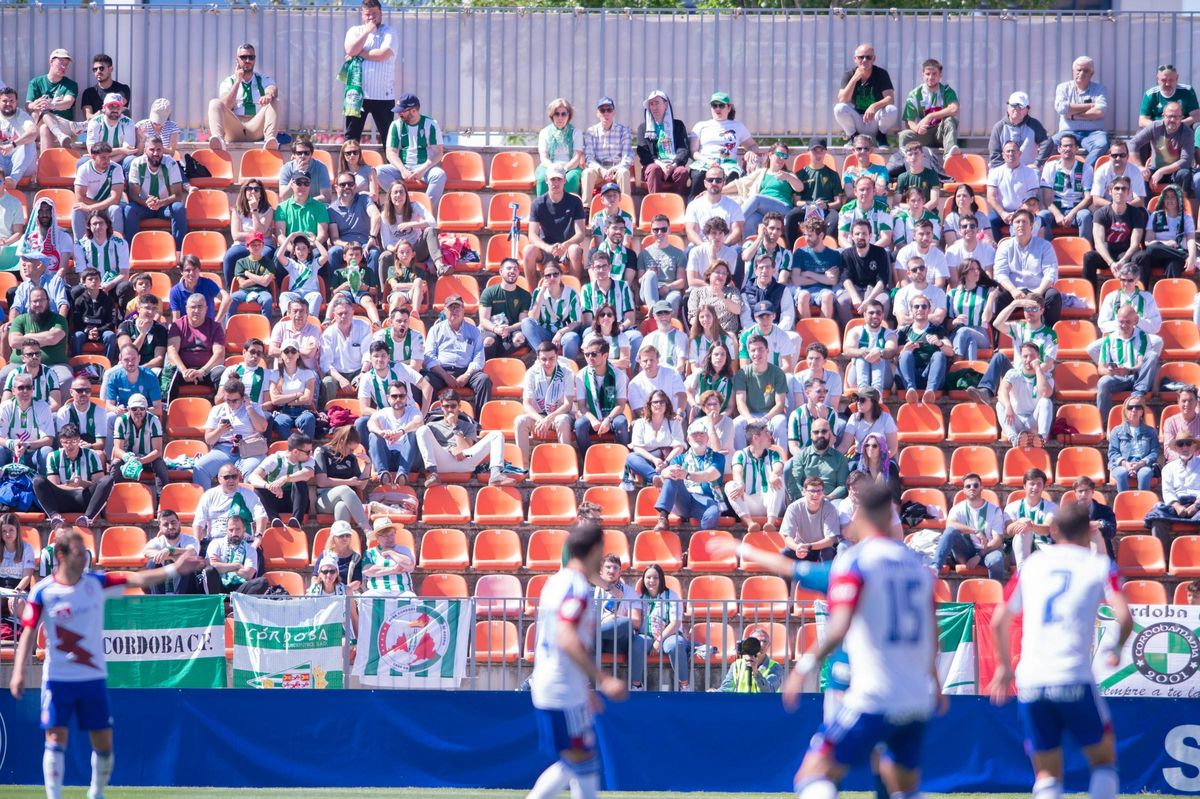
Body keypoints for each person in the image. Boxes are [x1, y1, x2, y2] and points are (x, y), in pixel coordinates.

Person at [8, 528, 202, 799]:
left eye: (86, 552)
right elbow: (28, 631)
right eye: (78, 552)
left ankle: (96, 793)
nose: (84, 557)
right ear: (61, 555)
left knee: (104, 743)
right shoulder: (43, 591)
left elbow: (138, 576)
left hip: (92, 679)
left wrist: (175, 570)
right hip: (58, 678)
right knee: (54, 738)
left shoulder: (96, 583)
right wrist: (18, 673)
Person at [788, 483, 942, 799]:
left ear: (858, 515)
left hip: (873, 695)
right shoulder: (917, 567)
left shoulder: (856, 560)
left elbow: (839, 626)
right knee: (903, 789)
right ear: (892, 516)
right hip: (915, 698)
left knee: (812, 776)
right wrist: (935, 682)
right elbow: (932, 632)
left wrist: (804, 668)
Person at [989, 501, 1132, 799]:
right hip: (1073, 677)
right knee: (1104, 762)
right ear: (1089, 530)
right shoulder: (1099, 565)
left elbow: (1000, 620)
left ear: (1053, 531)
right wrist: (1117, 647)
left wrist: (1003, 667)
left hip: (1032, 680)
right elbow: (1125, 616)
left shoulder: (1032, 566)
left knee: (1046, 774)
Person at [526, 521, 626, 799]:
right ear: (596, 550)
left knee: (578, 759)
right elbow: (566, 638)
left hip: (556, 683)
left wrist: (583, 689)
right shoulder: (577, 589)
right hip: (561, 688)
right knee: (582, 760)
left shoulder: (553, 583)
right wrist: (602, 679)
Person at [417, 389, 513, 487]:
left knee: (497, 434)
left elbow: (467, 449)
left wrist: (455, 426)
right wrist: (449, 449)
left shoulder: (469, 426)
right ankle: (433, 474)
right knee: (422, 430)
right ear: (441, 406)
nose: (450, 409)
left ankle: (496, 475)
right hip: (442, 462)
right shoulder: (432, 425)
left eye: (453, 406)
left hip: (465, 460)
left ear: (459, 406)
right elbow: (432, 449)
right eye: (446, 406)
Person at [34, 420, 116, 529]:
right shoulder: (53, 456)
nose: (69, 446)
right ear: (61, 442)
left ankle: (87, 517)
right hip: (62, 497)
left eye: (73, 441)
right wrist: (70, 485)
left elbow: (98, 483)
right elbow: (54, 485)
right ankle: (54, 516)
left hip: (84, 496)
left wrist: (82, 483)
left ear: (79, 441)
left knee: (108, 480)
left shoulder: (91, 455)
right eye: (66, 442)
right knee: (38, 480)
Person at [191, 379, 270, 487]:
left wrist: (249, 407)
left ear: (243, 397)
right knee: (200, 467)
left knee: (252, 469)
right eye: (228, 400)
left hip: (250, 449)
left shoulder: (253, 407)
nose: (231, 404)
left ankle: (248, 501)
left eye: (235, 400)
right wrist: (219, 430)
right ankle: (206, 501)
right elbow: (209, 440)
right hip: (225, 449)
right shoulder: (217, 410)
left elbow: (262, 428)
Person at [423, 294, 491, 416]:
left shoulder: (474, 331)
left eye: (457, 308)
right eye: (451, 308)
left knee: (484, 380)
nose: (454, 311)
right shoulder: (435, 330)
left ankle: (480, 420)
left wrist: (467, 375)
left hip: (466, 371)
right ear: (445, 311)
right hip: (441, 371)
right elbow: (428, 356)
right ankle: (431, 418)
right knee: (427, 380)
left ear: (463, 310)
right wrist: (445, 375)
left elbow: (479, 358)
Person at [992, 210, 1062, 325]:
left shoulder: (1045, 246)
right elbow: (1000, 274)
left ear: (1031, 226)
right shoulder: (1005, 246)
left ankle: (1047, 336)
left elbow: (1051, 273)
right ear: (1012, 226)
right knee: (997, 298)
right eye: (1017, 222)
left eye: (1024, 222)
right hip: (1014, 291)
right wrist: (1013, 290)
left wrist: (1038, 293)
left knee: (1053, 296)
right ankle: (998, 339)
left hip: (1038, 290)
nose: (1020, 225)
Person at [377, 94, 446, 211]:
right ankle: (405, 204)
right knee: (378, 172)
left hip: (425, 169)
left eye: (402, 111)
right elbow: (390, 152)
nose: (399, 114)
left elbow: (438, 153)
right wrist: (402, 170)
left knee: (439, 175)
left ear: (413, 111)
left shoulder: (431, 124)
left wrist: (422, 169)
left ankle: (423, 211)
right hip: (403, 168)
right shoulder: (396, 125)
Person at [652, 421, 725, 531]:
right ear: (688, 439)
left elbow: (710, 475)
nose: (698, 437)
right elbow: (669, 473)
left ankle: (698, 543)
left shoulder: (718, 457)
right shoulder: (679, 459)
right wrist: (664, 473)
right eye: (694, 435)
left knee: (713, 513)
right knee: (673, 475)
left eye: (702, 434)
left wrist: (687, 475)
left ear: (707, 438)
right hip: (684, 498)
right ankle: (663, 517)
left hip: (705, 498)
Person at [687, 92, 759, 201]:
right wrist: (707, 161)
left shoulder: (737, 126)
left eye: (721, 105)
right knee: (698, 177)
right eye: (714, 105)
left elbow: (753, 145)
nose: (717, 108)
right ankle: (692, 209)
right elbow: (693, 151)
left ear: (729, 108)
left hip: (728, 164)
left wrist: (750, 151)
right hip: (704, 163)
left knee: (732, 177)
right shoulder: (701, 125)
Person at [1092, 304, 1159, 422]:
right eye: (1121, 322)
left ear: (1135, 321)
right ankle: (1104, 422)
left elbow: (1140, 363)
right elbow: (1100, 368)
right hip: (1118, 378)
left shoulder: (1143, 336)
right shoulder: (1109, 339)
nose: (1123, 325)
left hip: (1136, 376)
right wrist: (1111, 371)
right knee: (1103, 382)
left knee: (1152, 356)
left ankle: (1138, 393)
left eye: (1127, 322)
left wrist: (1128, 370)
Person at [207, 43, 279, 151]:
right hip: (235, 128)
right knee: (214, 103)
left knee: (275, 101)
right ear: (237, 60)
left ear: (254, 60)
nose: (247, 60)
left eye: (251, 57)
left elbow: (272, 88)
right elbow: (226, 105)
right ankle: (218, 140)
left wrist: (268, 95)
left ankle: (270, 141)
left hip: (256, 127)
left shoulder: (262, 79)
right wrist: (237, 81)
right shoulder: (228, 82)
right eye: (243, 57)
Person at [342, 0, 396, 143]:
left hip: (383, 95)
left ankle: (392, 165)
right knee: (351, 138)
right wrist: (367, 31)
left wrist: (359, 53)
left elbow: (382, 55)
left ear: (381, 14)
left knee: (389, 139)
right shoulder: (354, 31)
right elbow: (350, 50)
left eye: (375, 14)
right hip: (357, 93)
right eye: (368, 14)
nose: (371, 17)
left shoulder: (389, 32)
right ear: (362, 15)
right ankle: (347, 166)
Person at [524, 163, 587, 285]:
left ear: (564, 181)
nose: (556, 183)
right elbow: (532, 235)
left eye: (559, 179)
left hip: (567, 248)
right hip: (545, 249)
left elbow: (581, 234)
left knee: (575, 250)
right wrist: (546, 247)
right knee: (528, 250)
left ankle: (575, 293)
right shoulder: (538, 203)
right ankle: (532, 296)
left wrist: (565, 245)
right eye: (553, 179)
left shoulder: (575, 202)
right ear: (547, 180)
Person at [515, 341, 576, 466]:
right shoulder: (531, 373)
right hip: (539, 416)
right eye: (544, 359)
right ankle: (523, 466)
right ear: (538, 358)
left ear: (557, 357)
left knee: (563, 420)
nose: (548, 363)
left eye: (551, 359)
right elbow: (527, 404)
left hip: (559, 414)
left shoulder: (567, 372)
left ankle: (566, 464)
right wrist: (541, 420)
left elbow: (568, 404)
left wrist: (548, 419)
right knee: (520, 421)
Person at [937, 472, 1006, 581]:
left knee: (996, 559)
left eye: (975, 485)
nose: (972, 488)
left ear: (981, 487)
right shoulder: (958, 508)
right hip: (965, 551)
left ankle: (997, 594)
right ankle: (935, 567)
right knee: (951, 531)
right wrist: (975, 531)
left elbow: (997, 540)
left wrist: (979, 555)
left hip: (987, 551)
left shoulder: (994, 510)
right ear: (964, 490)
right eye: (968, 486)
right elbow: (950, 524)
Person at [591, 553, 645, 688]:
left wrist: (615, 619)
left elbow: (636, 622)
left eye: (615, 568)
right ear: (600, 571)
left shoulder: (629, 592)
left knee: (625, 623)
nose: (612, 571)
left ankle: (591, 633)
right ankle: (589, 687)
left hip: (619, 640)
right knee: (590, 640)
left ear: (620, 571)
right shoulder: (594, 590)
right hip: (600, 640)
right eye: (608, 567)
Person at [122, 135, 186, 249]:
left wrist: (161, 203)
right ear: (145, 150)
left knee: (178, 208)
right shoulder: (137, 163)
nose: (156, 153)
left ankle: (178, 250)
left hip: (164, 207)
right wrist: (147, 202)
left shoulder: (170, 163)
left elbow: (178, 195)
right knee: (129, 209)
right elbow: (133, 194)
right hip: (144, 205)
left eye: (159, 149)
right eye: (152, 149)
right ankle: (132, 250)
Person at [1129, 101, 1199, 198]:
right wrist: (1140, 167)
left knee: (1185, 174)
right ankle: (1146, 210)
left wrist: (1161, 171)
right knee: (1141, 176)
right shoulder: (1154, 127)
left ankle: (1184, 209)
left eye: (1176, 117)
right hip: (1155, 168)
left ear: (1182, 117)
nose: (1173, 120)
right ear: (1163, 115)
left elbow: (1185, 161)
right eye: (1170, 116)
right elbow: (1133, 143)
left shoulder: (1187, 133)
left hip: (1176, 172)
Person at [725, 419, 784, 532]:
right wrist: (740, 483)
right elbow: (737, 471)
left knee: (778, 479)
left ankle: (770, 523)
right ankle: (750, 524)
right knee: (730, 485)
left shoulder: (774, 454)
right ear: (755, 438)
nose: (770, 436)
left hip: (770, 501)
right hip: (751, 503)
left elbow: (778, 466)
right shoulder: (740, 454)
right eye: (767, 432)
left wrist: (774, 475)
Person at [165, 293, 226, 401]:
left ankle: (220, 410)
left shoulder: (215, 327)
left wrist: (202, 371)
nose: (196, 311)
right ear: (186, 309)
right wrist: (184, 371)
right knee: (169, 373)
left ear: (206, 309)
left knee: (222, 373)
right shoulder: (178, 325)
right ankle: (167, 409)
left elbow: (219, 353)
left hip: (207, 371)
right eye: (193, 307)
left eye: (200, 307)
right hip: (183, 371)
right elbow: (172, 351)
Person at [1051, 55, 1109, 168]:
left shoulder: (1100, 89)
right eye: (1079, 70)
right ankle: (1057, 172)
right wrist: (1090, 105)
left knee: (1102, 144)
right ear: (1073, 71)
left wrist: (1073, 115)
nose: (1081, 73)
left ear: (1092, 74)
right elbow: (1062, 109)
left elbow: (1100, 112)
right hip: (1068, 132)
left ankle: (1082, 170)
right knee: (1050, 144)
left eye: (1086, 70)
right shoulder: (1063, 88)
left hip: (1094, 133)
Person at [834, 43, 899, 143]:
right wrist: (854, 79)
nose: (864, 60)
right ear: (855, 59)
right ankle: (853, 137)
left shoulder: (881, 74)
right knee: (839, 108)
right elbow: (842, 99)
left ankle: (880, 136)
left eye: (868, 57)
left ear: (874, 59)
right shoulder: (849, 75)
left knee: (891, 109)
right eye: (861, 57)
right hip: (857, 121)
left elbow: (890, 99)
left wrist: (874, 106)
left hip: (875, 121)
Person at [731, 335, 788, 450]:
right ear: (749, 352)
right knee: (736, 424)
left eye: (760, 349)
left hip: (771, 415)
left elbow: (780, 404)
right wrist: (749, 419)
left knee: (781, 422)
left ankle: (781, 461)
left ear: (767, 351)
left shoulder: (778, 373)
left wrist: (766, 419)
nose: (757, 353)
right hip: (750, 415)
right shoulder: (742, 374)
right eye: (753, 350)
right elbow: (740, 402)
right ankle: (741, 461)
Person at [573, 338, 630, 454]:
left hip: (612, 415)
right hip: (591, 414)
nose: (589, 358)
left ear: (605, 356)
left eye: (594, 354)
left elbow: (620, 405)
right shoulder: (581, 376)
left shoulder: (618, 375)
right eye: (586, 354)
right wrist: (593, 419)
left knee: (621, 423)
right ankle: (587, 461)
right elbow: (582, 406)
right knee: (580, 424)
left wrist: (608, 419)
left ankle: (624, 461)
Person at [896, 293, 953, 405]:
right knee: (906, 355)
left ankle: (930, 392)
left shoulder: (937, 330)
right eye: (916, 306)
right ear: (911, 310)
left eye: (924, 306)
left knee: (939, 355)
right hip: (911, 374)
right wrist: (905, 349)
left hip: (931, 376)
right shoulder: (904, 331)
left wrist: (939, 343)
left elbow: (950, 352)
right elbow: (895, 354)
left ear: (929, 310)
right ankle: (910, 391)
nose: (920, 309)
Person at [248, 432, 315, 527]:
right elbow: (253, 477)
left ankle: (296, 522)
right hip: (276, 499)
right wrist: (269, 487)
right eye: (308, 452)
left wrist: (285, 479)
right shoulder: (275, 459)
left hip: (295, 501)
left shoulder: (308, 460)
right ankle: (275, 520)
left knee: (300, 482)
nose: (310, 454)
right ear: (295, 451)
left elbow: (308, 473)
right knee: (258, 489)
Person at [624, 388, 685, 491]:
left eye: (662, 402)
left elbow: (679, 447)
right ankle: (655, 477)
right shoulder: (640, 423)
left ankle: (659, 477)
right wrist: (654, 460)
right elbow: (637, 448)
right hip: (647, 460)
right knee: (631, 457)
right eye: (655, 402)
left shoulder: (674, 422)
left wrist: (665, 462)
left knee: (678, 460)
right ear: (649, 405)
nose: (659, 405)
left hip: (668, 460)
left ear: (667, 405)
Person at [997, 340, 1055, 448]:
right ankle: (1014, 439)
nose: (1028, 359)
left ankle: (1041, 438)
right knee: (1000, 405)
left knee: (1046, 402)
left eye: (1032, 356)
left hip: (1033, 421)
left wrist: (1038, 368)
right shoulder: (1013, 373)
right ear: (1021, 358)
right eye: (1025, 356)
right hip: (1016, 419)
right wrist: (1008, 406)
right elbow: (1002, 391)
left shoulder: (1046, 377)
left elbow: (1046, 393)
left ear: (1038, 357)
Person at [314, 427, 374, 532]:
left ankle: (340, 541)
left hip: (345, 500)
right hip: (324, 499)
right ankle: (367, 530)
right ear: (342, 442)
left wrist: (368, 465)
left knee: (342, 507)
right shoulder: (322, 452)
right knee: (345, 489)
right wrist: (348, 482)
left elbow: (361, 485)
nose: (352, 452)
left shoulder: (351, 458)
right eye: (350, 449)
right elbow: (321, 482)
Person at [327, 172, 382, 282]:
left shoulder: (364, 199)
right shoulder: (332, 209)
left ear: (355, 186)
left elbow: (376, 215)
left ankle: (372, 289)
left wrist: (372, 238)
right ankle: (334, 289)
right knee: (332, 252)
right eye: (343, 185)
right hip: (344, 246)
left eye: (350, 184)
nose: (347, 187)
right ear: (336, 187)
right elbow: (335, 239)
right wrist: (348, 246)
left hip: (365, 244)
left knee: (374, 253)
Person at [192, 463, 268, 543]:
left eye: (234, 476)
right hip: (215, 542)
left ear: (238, 477)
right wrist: (196, 544)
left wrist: (258, 539)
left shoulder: (248, 494)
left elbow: (261, 516)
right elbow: (198, 522)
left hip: (244, 542)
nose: (231, 480)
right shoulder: (209, 495)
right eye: (226, 477)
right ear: (219, 479)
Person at [1038, 133, 1094, 241]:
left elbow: (1088, 198)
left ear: (1077, 149)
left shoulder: (1086, 168)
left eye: (1071, 146)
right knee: (1042, 215)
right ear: (1059, 149)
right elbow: (1047, 200)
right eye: (1065, 146)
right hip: (1056, 209)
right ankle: (1047, 251)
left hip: (1077, 209)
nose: (1068, 149)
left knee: (1085, 216)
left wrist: (1073, 213)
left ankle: (1086, 252)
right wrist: (1058, 215)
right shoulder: (1050, 167)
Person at [835, 219, 890, 328]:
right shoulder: (846, 254)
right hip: (854, 289)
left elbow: (882, 280)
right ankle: (852, 331)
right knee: (841, 301)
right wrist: (855, 296)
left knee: (884, 301)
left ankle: (877, 331)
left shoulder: (880, 252)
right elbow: (845, 278)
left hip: (875, 290)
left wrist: (869, 300)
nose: (861, 236)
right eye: (857, 234)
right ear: (851, 236)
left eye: (864, 233)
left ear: (870, 235)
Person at [1135, 184, 1198, 279]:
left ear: (1179, 199)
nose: (1170, 200)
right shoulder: (1155, 216)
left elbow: (1191, 240)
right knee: (1152, 248)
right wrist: (1166, 243)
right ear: (1163, 200)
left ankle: (1170, 292)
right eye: (1167, 197)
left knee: (1174, 264)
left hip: (1176, 253)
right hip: (1158, 254)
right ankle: (1184, 256)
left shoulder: (1186, 218)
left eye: (1173, 197)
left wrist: (1192, 256)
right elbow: (1147, 242)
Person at [109, 392, 168, 493]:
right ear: (128, 409)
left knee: (160, 463)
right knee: (116, 463)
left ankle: (162, 496)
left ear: (146, 409)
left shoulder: (154, 421)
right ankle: (116, 494)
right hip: (128, 459)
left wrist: (141, 461)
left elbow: (158, 451)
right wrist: (129, 458)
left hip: (147, 459)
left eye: (141, 408)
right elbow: (117, 449)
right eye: (134, 409)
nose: (138, 411)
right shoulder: (121, 421)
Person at [223, 179, 276, 290]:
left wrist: (254, 210)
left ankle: (261, 289)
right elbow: (236, 235)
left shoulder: (268, 210)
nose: (253, 191)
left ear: (261, 193)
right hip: (242, 244)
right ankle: (231, 290)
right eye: (249, 188)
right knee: (229, 256)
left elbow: (259, 232)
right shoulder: (237, 210)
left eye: (257, 189)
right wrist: (255, 235)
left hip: (264, 244)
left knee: (264, 255)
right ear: (244, 191)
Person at [635, 89, 690, 197]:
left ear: (665, 104)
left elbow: (683, 149)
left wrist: (673, 165)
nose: (654, 107)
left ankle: (676, 205)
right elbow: (644, 153)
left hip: (673, 164)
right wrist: (661, 165)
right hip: (655, 165)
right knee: (654, 169)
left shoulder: (678, 125)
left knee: (682, 172)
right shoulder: (643, 127)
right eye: (651, 104)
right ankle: (655, 206)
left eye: (657, 103)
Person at [899, 58, 960, 153]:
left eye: (934, 74)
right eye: (928, 74)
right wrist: (917, 129)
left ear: (940, 75)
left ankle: (949, 157)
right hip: (924, 134)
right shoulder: (914, 94)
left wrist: (930, 116)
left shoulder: (947, 91)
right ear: (923, 75)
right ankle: (905, 162)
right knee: (904, 135)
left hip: (942, 135)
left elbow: (954, 109)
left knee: (950, 120)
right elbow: (909, 122)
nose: (931, 77)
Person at [366, 381, 421, 483]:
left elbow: (418, 422)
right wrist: (381, 432)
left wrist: (401, 432)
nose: (398, 399)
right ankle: (383, 475)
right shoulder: (383, 412)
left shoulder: (413, 411)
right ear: (388, 398)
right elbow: (370, 424)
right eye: (394, 396)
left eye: (402, 396)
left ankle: (402, 474)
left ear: (407, 397)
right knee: (373, 435)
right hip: (387, 457)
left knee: (412, 434)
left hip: (407, 458)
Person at [1149, 432, 1200, 541]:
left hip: (1198, 503)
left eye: (1188, 443)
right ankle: (1164, 557)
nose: (1184, 447)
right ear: (1176, 448)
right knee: (1157, 519)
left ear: (1194, 446)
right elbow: (1168, 492)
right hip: (1176, 505)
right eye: (1181, 444)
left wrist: (1196, 505)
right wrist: (1177, 506)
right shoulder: (1168, 468)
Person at [986, 140, 1041, 241]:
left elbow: (1032, 197)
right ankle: (996, 250)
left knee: (1025, 220)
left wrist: (1018, 213)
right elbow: (990, 197)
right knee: (989, 220)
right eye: (1008, 151)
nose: (1011, 154)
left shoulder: (1030, 173)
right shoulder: (995, 172)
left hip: (1024, 210)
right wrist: (1002, 213)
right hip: (1001, 211)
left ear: (1019, 153)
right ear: (1003, 155)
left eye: (1014, 151)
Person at [1005, 467, 1059, 571]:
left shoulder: (1052, 507)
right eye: (1032, 484)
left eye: (1039, 484)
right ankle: (1022, 572)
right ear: (1024, 486)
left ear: (1043, 487)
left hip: (1043, 547)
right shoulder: (1012, 506)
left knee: (1026, 527)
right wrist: (1019, 522)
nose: (1035, 487)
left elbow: (1048, 528)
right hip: (1018, 550)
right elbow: (1008, 530)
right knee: (1024, 529)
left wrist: (1032, 526)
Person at [26, 48, 80, 151]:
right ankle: (60, 136)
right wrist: (35, 105)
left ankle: (45, 165)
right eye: (61, 63)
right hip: (39, 124)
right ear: (51, 62)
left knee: (45, 127)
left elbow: (68, 103)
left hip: (62, 125)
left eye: (66, 64)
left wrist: (51, 105)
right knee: (37, 113)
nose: (64, 67)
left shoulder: (70, 84)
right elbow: (28, 106)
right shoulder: (36, 82)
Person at [581, 96, 633, 200]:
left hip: (617, 170)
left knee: (624, 172)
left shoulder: (624, 131)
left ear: (614, 112)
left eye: (609, 109)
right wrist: (602, 170)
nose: (606, 113)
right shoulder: (590, 132)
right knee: (587, 173)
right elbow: (589, 158)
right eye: (602, 110)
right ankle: (586, 209)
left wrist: (613, 170)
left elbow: (627, 157)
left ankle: (625, 208)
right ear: (598, 113)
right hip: (599, 171)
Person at [479, 258, 531, 359]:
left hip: (512, 330)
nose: (512, 271)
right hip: (491, 329)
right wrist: (496, 329)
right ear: (501, 272)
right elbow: (483, 320)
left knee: (520, 338)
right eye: (509, 268)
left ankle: (497, 359)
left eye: (515, 269)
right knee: (488, 341)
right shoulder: (489, 292)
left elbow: (523, 321)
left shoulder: (525, 295)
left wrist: (509, 329)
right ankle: (489, 367)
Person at [72, 142, 125, 241]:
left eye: (109, 157)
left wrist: (90, 207)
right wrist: (97, 207)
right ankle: (79, 246)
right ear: (93, 157)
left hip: (106, 206)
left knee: (115, 209)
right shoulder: (84, 169)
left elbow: (115, 199)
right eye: (103, 158)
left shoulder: (116, 168)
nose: (107, 161)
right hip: (95, 205)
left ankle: (118, 242)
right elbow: (80, 197)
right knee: (77, 210)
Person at [0, 373, 54, 470]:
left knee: (47, 451)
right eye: (21, 388)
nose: (25, 391)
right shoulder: (5, 407)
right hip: (11, 453)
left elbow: (49, 440)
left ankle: (42, 484)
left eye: (28, 387)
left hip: (33, 454)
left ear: (32, 389)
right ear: (13, 390)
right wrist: (12, 444)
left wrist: (27, 445)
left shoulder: (43, 406)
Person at [786, 418, 849, 502]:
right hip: (805, 499)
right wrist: (807, 496)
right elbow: (794, 481)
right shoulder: (801, 456)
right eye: (816, 432)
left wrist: (829, 497)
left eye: (824, 431)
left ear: (829, 433)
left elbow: (843, 486)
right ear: (811, 435)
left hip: (831, 501)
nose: (820, 435)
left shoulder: (840, 458)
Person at [637, 214, 686, 317]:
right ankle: (653, 311)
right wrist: (649, 274)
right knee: (650, 274)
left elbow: (681, 282)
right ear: (651, 231)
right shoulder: (644, 253)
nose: (659, 233)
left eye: (663, 229)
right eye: (656, 230)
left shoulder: (678, 253)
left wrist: (667, 287)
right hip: (648, 291)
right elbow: (640, 281)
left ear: (669, 230)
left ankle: (671, 328)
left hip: (669, 290)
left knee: (674, 298)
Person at [987, 91, 1053, 169]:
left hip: (1028, 171)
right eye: (1014, 105)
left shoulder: (1035, 125)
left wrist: (1037, 163)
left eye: (1021, 106)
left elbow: (1047, 142)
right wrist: (1006, 172)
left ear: (1027, 109)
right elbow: (995, 155)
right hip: (1004, 171)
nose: (1017, 109)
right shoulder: (999, 127)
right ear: (1008, 107)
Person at [685, 165, 746, 248]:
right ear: (705, 183)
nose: (714, 183)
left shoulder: (734, 206)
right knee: (687, 252)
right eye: (710, 180)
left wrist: (723, 246)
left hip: (726, 247)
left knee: (739, 252)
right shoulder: (693, 205)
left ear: (724, 183)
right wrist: (704, 246)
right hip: (701, 246)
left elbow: (736, 232)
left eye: (718, 180)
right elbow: (690, 231)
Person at [140, 509, 199, 595]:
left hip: (187, 589)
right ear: (160, 527)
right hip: (161, 585)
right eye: (166, 524)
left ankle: (178, 602)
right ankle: (159, 602)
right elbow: (146, 551)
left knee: (185, 561)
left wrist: (170, 550)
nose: (170, 527)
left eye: (173, 522)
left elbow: (191, 551)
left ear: (179, 523)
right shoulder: (158, 541)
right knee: (152, 563)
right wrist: (171, 556)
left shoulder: (190, 539)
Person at [197, 513, 260, 593]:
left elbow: (248, 575)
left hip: (239, 588)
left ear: (244, 529)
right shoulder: (216, 543)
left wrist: (222, 565)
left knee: (262, 582)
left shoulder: (250, 549)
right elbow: (212, 566)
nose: (234, 533)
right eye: (231, 530)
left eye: (238, 529)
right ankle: (214, 602)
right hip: (218, 586)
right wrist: (237, 566)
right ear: (226, 529)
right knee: (209, 570)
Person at [268, 343, 318, 439]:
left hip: (303, 410)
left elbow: (307, 399)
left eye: (293, 351)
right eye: (286, 351)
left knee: (308, 419)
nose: (290, 354)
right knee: (280, 422)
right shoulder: (275, 374)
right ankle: (294, 448)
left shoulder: (308, 373)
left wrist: (284, 399)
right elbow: (274, 400)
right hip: (283, 411)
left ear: (298, 354)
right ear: (281, 354)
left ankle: (306, 449)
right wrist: (297, 394)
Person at [273, 172, 331, 253]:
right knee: (277, 256)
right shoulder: (281, 208)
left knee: (318, 254)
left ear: (310, 186)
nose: (303, 186)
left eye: (306, 183)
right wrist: (293, 250)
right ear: (292, 184)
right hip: (290, 247)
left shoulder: (320, 207)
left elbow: (322, 234)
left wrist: (307, 249)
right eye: (299, 183)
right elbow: (280, 235)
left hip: (312, 247)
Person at [69, 268, 118, 362]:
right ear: (84, 283)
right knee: (77, 336)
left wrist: (98, 331)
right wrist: (88, 331)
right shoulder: (79, 300)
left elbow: (111, 322)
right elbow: (76, 322)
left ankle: (106, 365)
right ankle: (78, 366)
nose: (94, 281)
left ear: (100, 281)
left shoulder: (108, 300)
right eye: (90, 279)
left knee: (110, 336)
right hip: (84, 331)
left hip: (103, 331)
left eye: (96, 279)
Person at [787, 377, 845, 455]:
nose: (823, 395)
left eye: (825, 392)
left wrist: (823, 419)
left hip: (825, 457)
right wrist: (805, 460)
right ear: (807, 393)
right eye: (819, 391)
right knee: (787, 467)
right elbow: (793, 446)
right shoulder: (796, 415)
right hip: (804, 458)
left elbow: (831, 442)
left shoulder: (831, 413)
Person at [55, 376, 106, 457]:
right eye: (80, 391)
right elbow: (61, 442)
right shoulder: (64, 412)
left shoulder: (99, 411)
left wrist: (89, 446)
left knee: (100, 454)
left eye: (87, 390)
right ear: (71, 392)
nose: (84, 394)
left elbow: (101, 443)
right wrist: (75, 446)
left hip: (90, 448)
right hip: (69, 448)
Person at [169, 255, 229, 323]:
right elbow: (176, 319)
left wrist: (217, 321)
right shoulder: (175, 291)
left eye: (194, 269)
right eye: (188, 270)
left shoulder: (207, 283)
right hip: (187, 330)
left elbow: (226, 298)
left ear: (199, 270)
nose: (191, 273)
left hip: (208, 329)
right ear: (181, 271)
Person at [5, 341, 62, 412]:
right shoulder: (14, 374)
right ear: (23, 358)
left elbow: (56, 405)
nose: (34, 357)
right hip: (19, 414)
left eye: (37, 353)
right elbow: (5, 403)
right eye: (30, 354)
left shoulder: (50, 374)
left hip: (43, 415)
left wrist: (35, 414)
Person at [628, 345, 685, 416]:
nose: (648, 363)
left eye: (651, 360)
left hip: (674, 416)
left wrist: (679, 413)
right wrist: (656, 420)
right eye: (645, 361)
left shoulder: (672, 372)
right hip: (649, 420)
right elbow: (639, 409)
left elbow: (682, 395)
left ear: (657, 360)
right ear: (640, 363)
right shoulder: (634, 384)